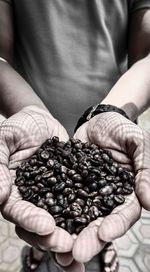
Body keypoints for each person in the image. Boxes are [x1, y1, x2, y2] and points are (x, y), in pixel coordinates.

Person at [0, 0, 150, 271]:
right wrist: (28, 109)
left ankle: (106, 245)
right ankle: (39, 248)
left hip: (110, 122)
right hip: (34, 129)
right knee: (42, 217)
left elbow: (146, 54)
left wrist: (112, 110)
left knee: (104, 218)